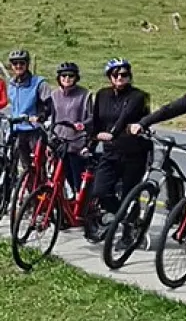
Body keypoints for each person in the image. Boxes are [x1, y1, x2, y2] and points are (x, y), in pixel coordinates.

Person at [89, 58, 152, 216]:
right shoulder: (102, 95)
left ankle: (129, 229)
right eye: (115, 74)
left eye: (124, 74)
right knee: (99, 191)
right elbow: (95, 121)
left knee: (129, 195)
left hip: (134, 153)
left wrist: (112, 134)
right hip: (110, 152)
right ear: (109, 77)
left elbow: (125, 116)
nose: (120, 78)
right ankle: (120, 216)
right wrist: (91, 140)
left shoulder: (138, 96)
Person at [5, 48, 53, 172]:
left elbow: (50, 104)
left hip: (34, 129)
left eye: (22, 63)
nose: (18, 66)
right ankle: (28, 189)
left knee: (38, 165)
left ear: (27, 64)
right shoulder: (11, 84)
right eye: (15, 63)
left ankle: (41, 189)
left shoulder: (39, 83)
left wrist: (41, 116)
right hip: (17, 129)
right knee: (25, 167)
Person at [49, 62, 93, 194]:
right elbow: (52, 118)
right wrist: (50, 139)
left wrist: (83, 124)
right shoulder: (54, 95)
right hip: (59, 141)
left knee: (76, 179)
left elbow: (92, 117)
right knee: (58, 177)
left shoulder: (85, 95)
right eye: (63, 76)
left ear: (76, 77)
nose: (67, 78)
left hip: (76, 142)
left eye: (70, 76)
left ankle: (80, 206)